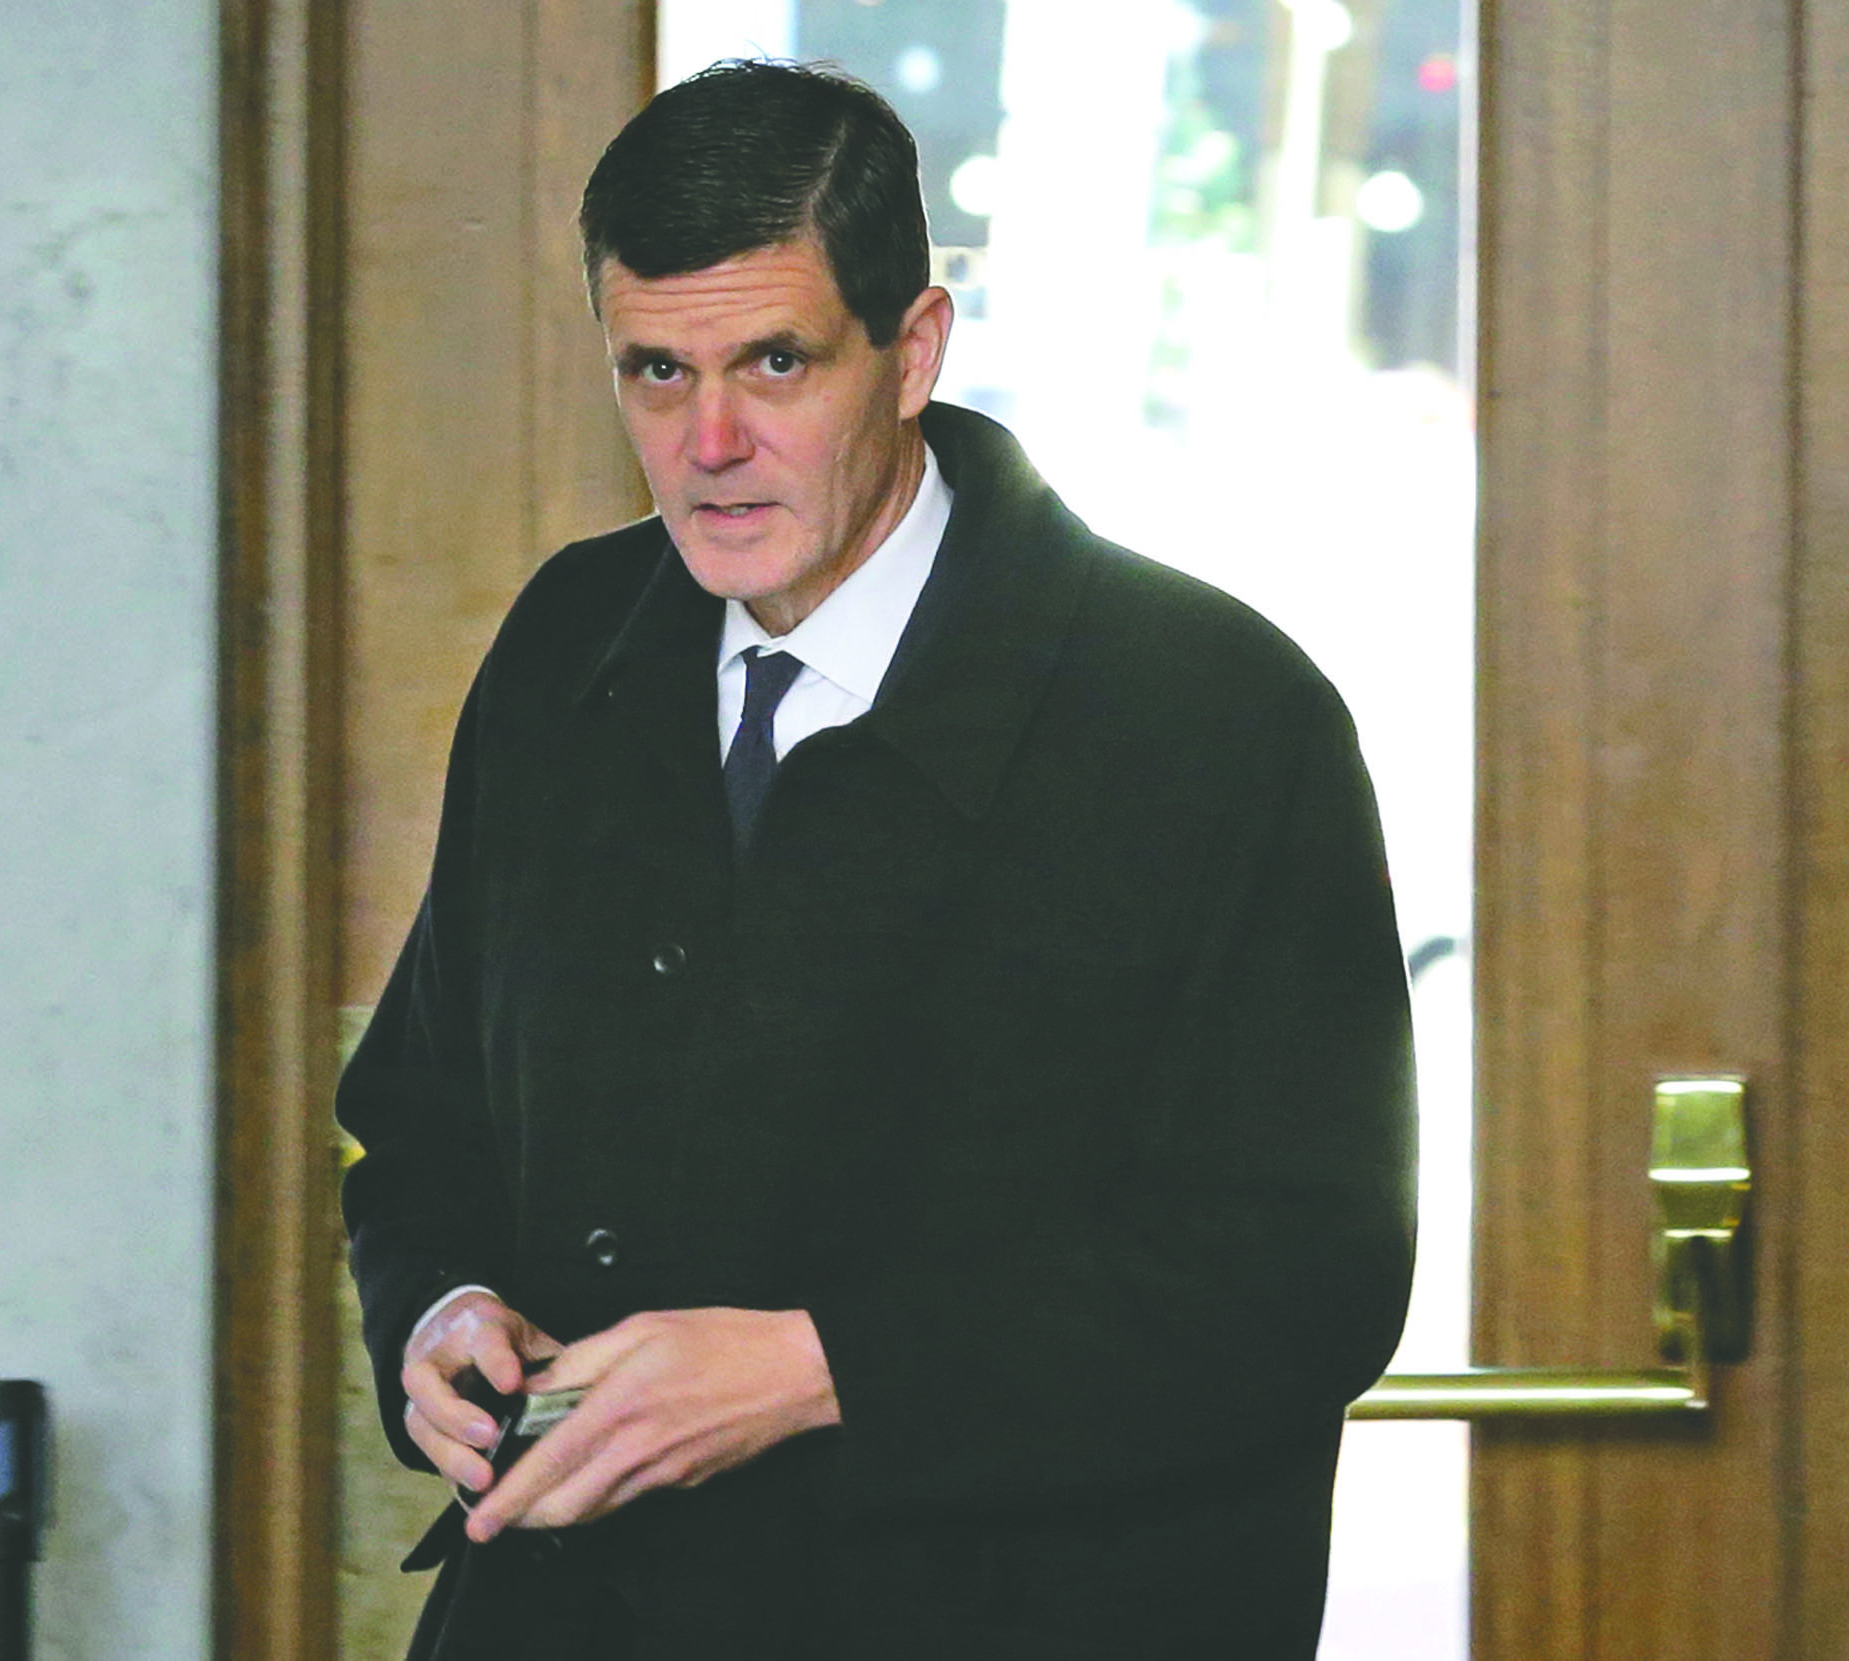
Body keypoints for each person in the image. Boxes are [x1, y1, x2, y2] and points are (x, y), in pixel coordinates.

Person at [338, 58, 1416, 1660]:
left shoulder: (1218, 717)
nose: (709, 442)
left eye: (775, 363)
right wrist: (437, 1314)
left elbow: (1303, 1275)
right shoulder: (567, 644)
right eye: (652, 373)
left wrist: (816, 1369)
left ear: (913, 351)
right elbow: (418, 1135)